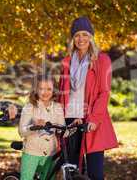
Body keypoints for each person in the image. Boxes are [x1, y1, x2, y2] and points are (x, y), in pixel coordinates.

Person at [58, 16, 118, 180]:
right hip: (70, 119)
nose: (81, 39)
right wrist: (58, 117)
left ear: (91, 37)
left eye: (85, 34)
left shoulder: (102, 60)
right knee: (71, 171)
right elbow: (62, 93)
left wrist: (94, 118)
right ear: (73, 39)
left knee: (95, 172)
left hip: (91, 120)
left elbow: (104, 93)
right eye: (77, 35)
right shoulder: (66, 62)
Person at [18, 74, 66, 180]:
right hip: (31, 152)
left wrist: (72, 127)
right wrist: (33, 126)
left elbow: (63, 129)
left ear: (54, 90)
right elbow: (22, 131)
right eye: (41, 89)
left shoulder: (57, 107)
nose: (45, 92)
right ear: (36, 90)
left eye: (49, 89)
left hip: (51, 154)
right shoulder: (29, 107)